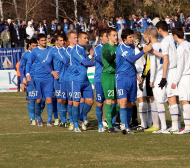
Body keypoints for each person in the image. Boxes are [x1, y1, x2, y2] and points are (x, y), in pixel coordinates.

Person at [116, 28, 152, 134]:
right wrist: (144, 51)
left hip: (132, 77)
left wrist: (136, 74)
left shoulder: (132, 47)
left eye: (133, 37)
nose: (132, 39)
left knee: (131, 103)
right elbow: (131, 59)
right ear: (124, 39)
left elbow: (131, 64)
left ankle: (127, 126)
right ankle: (123, 125)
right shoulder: (121, 48)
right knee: (123, 101)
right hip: (122, 77)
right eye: (130, 37)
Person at [152, 21, 181, 133]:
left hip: (171, 71)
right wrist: (154, 51)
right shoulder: (173, 39)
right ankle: (177, 125)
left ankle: (175, 127)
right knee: (176, 99)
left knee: (171, 98)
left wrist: (163, 78)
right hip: (177, 69)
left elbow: (166, 60)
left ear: (159, 29)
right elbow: (166, 55)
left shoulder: (164, 41)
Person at [26, 33, 53, 126]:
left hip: (49, 78)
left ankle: (49, 121)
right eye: (42, 40)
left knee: (49, 99)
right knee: (38, 100)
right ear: (38, 42)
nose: (44, 42)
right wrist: (28, 74)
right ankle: (39, 118)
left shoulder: (51, 50)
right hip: (37, 78)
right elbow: (29, 63)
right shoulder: (35, 51)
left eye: (45, 40)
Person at [70, 32, 95, 132]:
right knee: (76, 102)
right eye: (85, 38)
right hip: (76, 79)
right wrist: (97, 62)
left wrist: (91, 57)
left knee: (90, 101)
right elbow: (84, 63)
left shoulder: (84, 49)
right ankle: (76, 125)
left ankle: (81, 116)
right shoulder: (75, 49)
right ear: (79, 39)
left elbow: (84, 61)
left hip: (85, 80)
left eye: (87, 38)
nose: (87, 40)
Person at [45, 34, 69, 127]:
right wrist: (52, 72)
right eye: (60, 40)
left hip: (67, 77)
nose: (62, 42)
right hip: (58, 78)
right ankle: (62, 120)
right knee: (59, 99)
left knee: (67, 99)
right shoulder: (52, 51)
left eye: (63, 40)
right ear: (56, 41)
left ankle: (69, 118)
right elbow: (47, 64)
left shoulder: (66, 50)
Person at [171, 27, 190, 134]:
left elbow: (180, 65)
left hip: (184, 77)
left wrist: (175, 81)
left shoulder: (181, 47)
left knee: (185, 101)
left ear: (175, 36)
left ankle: (187, 127)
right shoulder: (189, 44)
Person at [101, 28, 120, 133]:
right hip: (108, 76)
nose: (115, 37)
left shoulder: (117, 47)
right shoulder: (105, 48)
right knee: (109, 100)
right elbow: (109, 59)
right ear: (108, 37)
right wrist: (118, 52)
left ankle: (107, 120)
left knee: (120, 102)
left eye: (116, 35)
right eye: (113, 35)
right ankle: (110, 126)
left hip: (117, 76)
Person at [149, 28, 167, 133]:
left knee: (159, 102)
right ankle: (175, 125)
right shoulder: (162, 45)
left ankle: (163, 127)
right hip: (165, 75)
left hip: (158, 77)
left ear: (150, 36)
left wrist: (151, 80)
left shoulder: (152, 47)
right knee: (169, 101)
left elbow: (153, 65)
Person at [19, 38, 38, 125]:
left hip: (39, 78)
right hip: (29, 79)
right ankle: (32, 118)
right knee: (30, 100)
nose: (34, 47)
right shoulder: (25, 55)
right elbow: (20, 67)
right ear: (29, 45)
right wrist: (23, 79)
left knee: (40, 100)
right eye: (33, 45)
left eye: (35, 45)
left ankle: (38, 116)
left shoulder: (39, 53)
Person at [93, 28, 108, 132]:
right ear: (101, 37)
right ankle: (100, 125)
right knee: (99, 103)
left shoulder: (114, 48)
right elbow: (99, 59)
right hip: (99, 78)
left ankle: (111, 123)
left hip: (110, 78)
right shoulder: (97, 48)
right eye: (106, 36)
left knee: (112, 101)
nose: (108, 38)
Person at [63, 31, 78, 130]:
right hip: (70, 78)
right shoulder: (67, 51)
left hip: (79, 77)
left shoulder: (79, 49)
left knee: (80, 100)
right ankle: (71, 120)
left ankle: (80, 119)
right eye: (74, 38)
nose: (76, 39)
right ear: (69, 40)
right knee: (72, 100)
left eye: (77, 37)